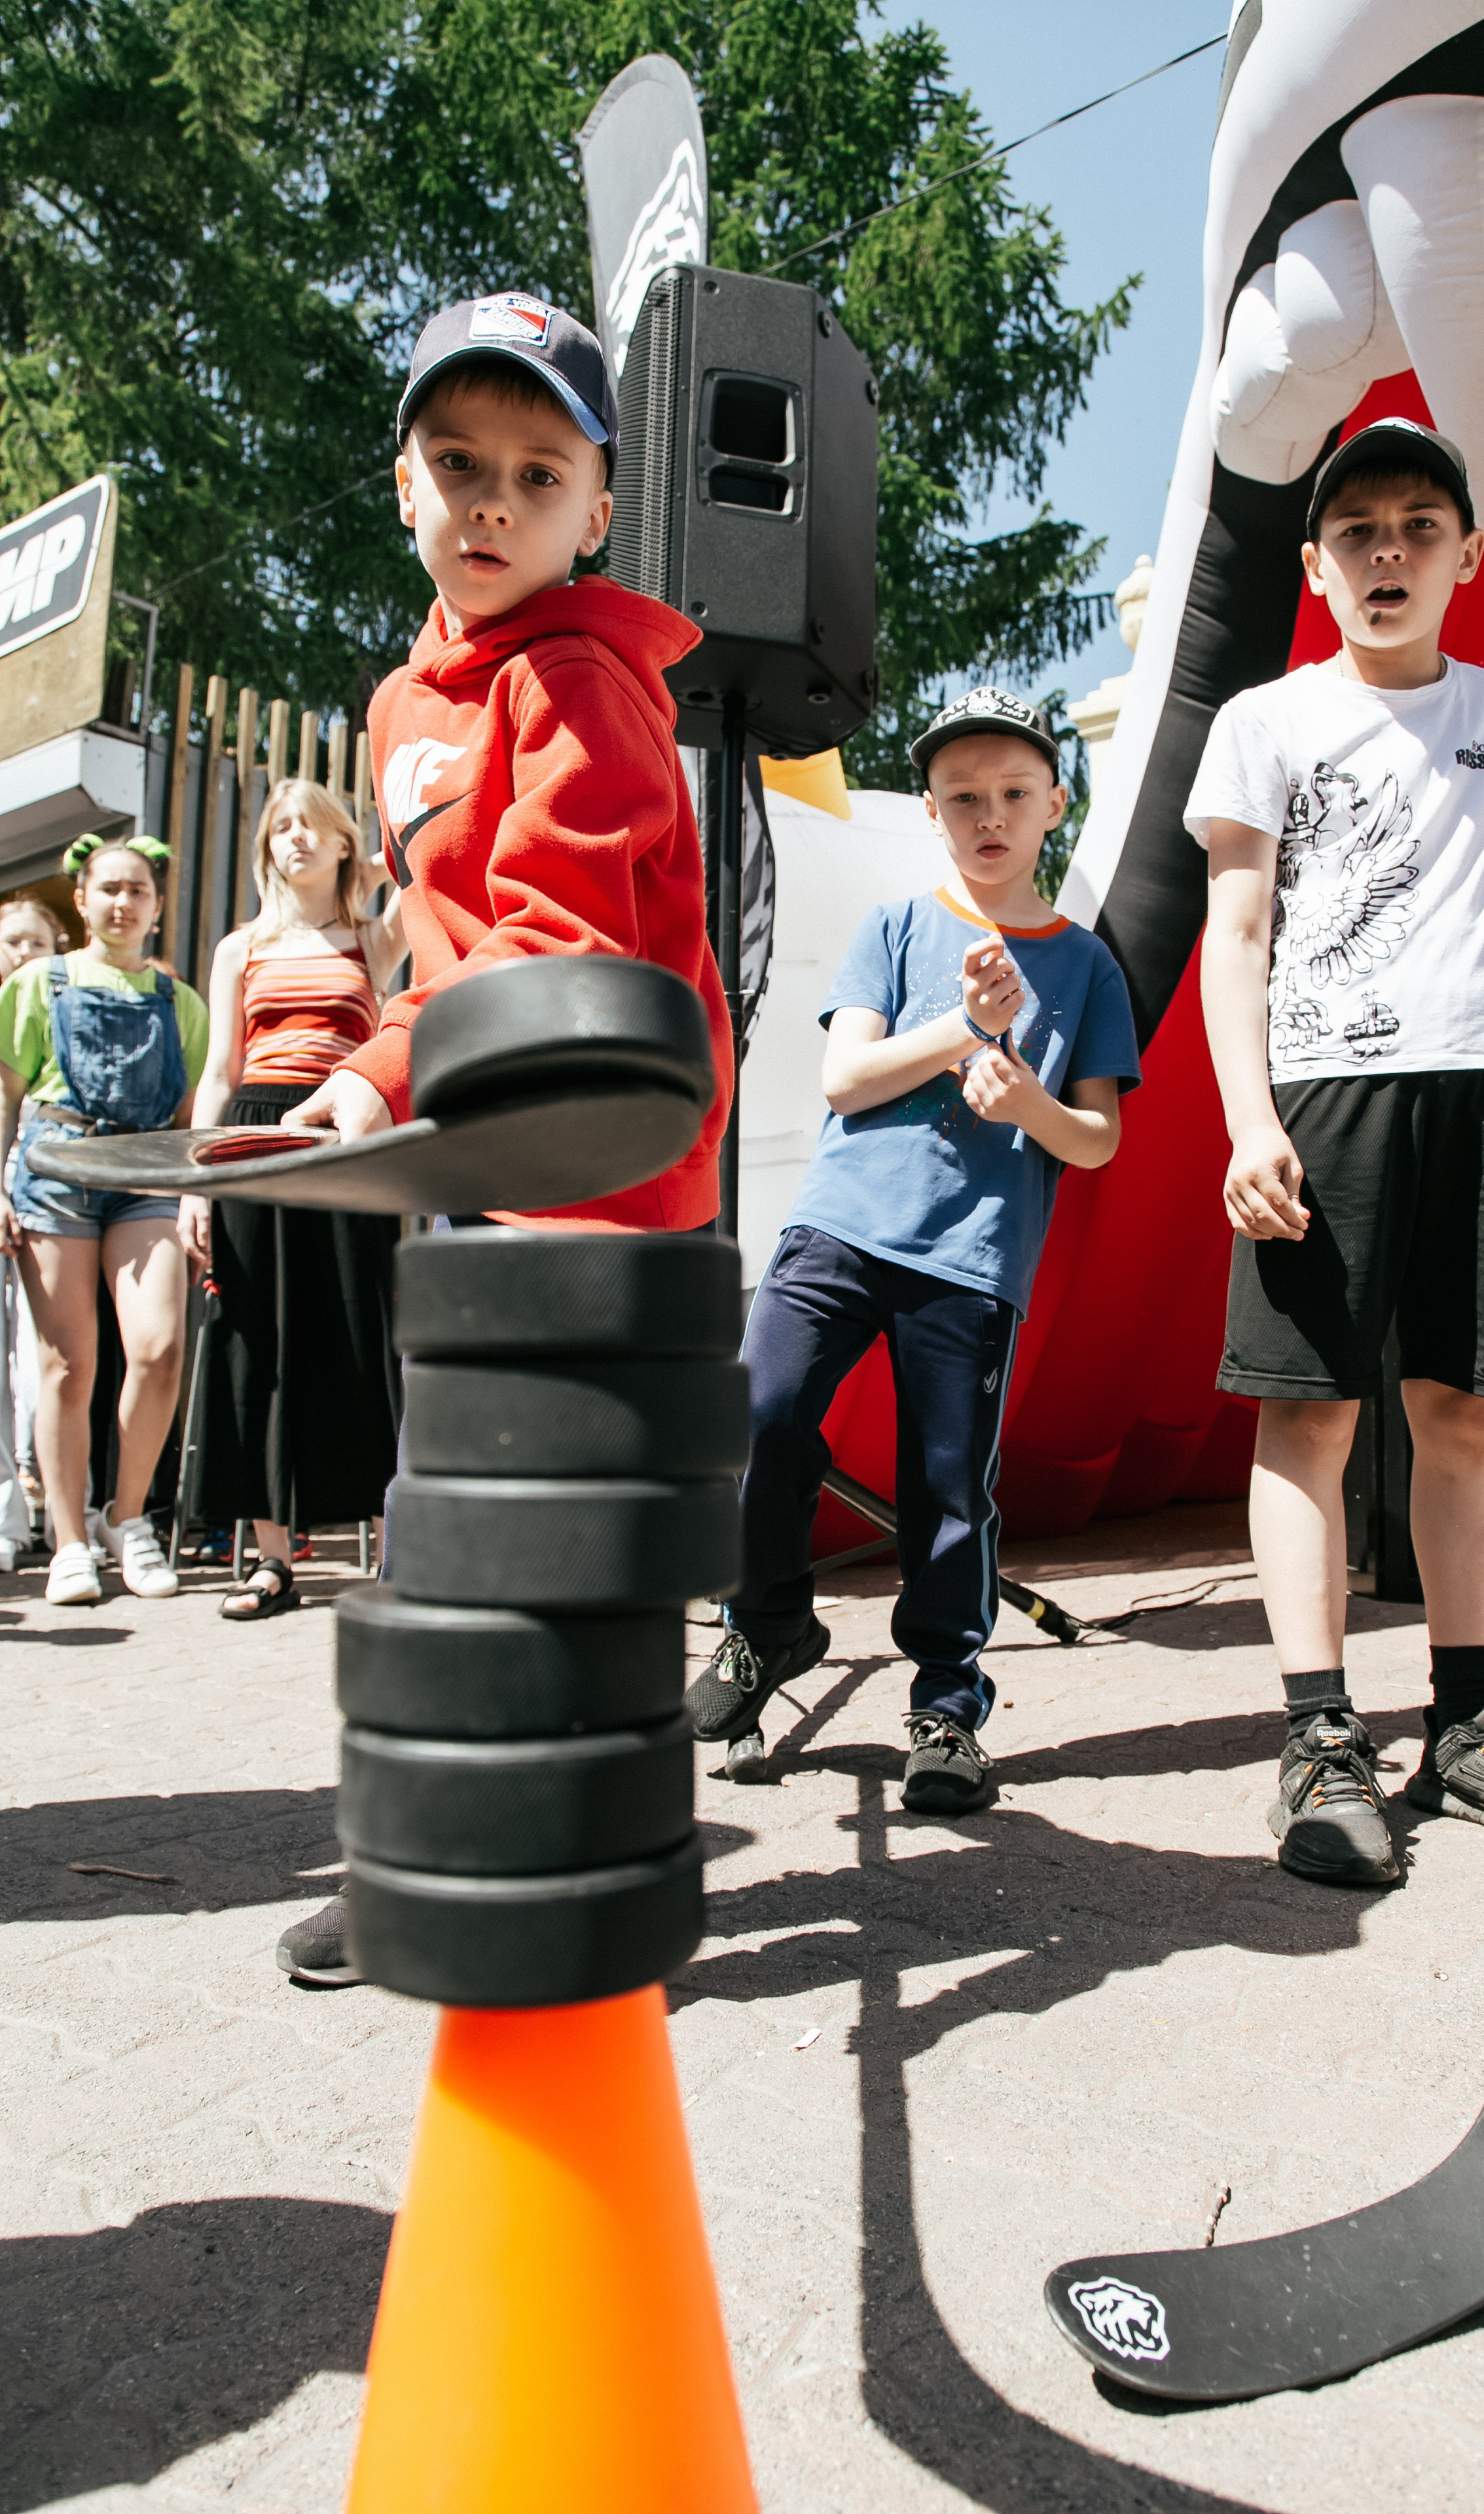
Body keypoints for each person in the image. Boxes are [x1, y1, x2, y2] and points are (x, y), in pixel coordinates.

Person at [272, 289, 732, 1987]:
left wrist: (388, 1073)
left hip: (600, 1177)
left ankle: (589, 1878)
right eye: (458, 463)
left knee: (573, 1546)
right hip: (481, 1165)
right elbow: (439, 941)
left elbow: (554, 946)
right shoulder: (407, 705)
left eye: (539, 474)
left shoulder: (581, 684)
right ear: (402, 482)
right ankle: (439, 1859)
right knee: (447, 1531)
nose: (492, 503)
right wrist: (380, 1071)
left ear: (595, 512)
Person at [1190, 417, 1484, 1888]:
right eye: (1357, 531)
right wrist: (1248, 1118)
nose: (1388, 552)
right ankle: (1319, 1739)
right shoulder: (1264, 720)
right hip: (1324, 1097)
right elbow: (1235, 930)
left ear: (1466, 554)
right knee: (1308, 1417)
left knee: (1460, 1416)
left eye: (1417, 527)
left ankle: (1467, 1726)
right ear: (1315, 567)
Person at [685, 687, 1138, 1812]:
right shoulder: (894, 927)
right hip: (838, 1227)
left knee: (946, 1488)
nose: (991, 816)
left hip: (972, 1259)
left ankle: (946, 1704)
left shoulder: (1087, 966)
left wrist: (1024, 1100)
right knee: (760, 1416)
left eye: (1014, 793)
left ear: (1055, 806)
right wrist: (963, 1031)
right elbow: (846, 1077)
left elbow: (1095, 1140)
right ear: (931, 813)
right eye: (963, 797)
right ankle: (767, 1628)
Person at [178, 778, 406, 1620]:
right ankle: (273, 1560)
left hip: (344, 1139)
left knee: (359, 1329)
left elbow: (423, 875)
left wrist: (371, 869)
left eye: (314, 826)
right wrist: (198, 1184)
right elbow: (219, 1072)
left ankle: (395, 1556)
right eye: (281, 828)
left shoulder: (371, 940)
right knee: (254, 1335)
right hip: (253, 1140)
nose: (296, 839)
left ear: (344, 842)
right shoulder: (240, 948)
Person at [0, 835, 207, 1605]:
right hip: (55, 1168)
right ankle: (69, 1543)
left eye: (138, 890)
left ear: (157, 907)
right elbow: (6, 1095)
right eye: (110, 889)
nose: (124, 902)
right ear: (82, 901)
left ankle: (126, 1517)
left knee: (158, 1349)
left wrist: (196, 1195)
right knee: (67, 1364)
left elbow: (189, 1120)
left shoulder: (180, 1003)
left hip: (147, 1172)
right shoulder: (37, 983)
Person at [0, 893, 63, 1569]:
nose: (24, 953)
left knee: (40, 1354)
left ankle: (52, 1505)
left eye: (37, 943)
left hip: (36, 1186)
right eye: (12, 941)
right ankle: (9, 1514)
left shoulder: (53, 1009)